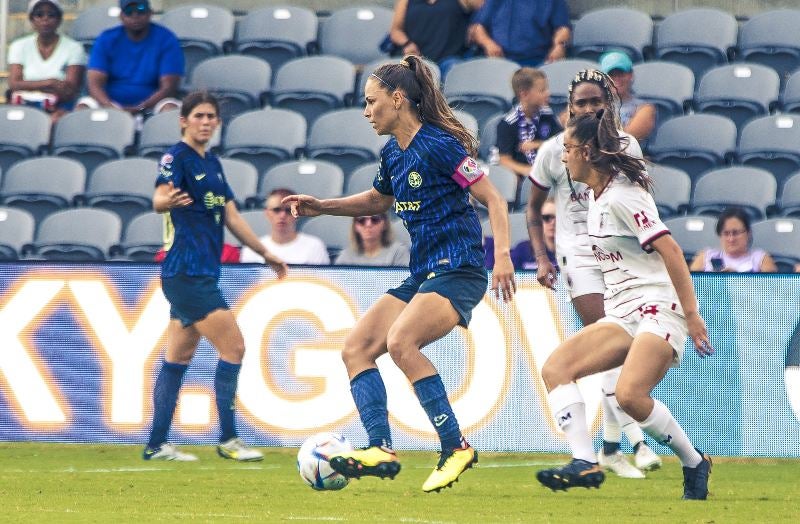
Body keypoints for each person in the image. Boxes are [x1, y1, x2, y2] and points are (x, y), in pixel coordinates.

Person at [283, 55, 515, 493]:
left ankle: (456, 446)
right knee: (356, 349)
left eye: (371, 102)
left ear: (398, 98)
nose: (366, 112)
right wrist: (322, 206)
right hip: (424, 272)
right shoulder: (393, 152)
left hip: (459, 269)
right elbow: (377, 200)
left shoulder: (440, 145)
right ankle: (381, 448)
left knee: (401, 341)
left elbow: (495, 200)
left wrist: (501, 255)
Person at [535, 110, 714, 499]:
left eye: (566, 149)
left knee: (631, 395)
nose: (562, 157)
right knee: (556, 368)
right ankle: (585, 461)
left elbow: (670, 250)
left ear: (585, 151)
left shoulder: (624, 196)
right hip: (621, 313)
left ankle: (693, 460)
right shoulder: (595, 198)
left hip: (657, 307)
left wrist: (692, 314)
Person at [527, 69, 662, 478]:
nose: (588, 108)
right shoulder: (555, 149)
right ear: (570, 107)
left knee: (621, 348)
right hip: (580, 256)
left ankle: (608, 446)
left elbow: (641, 200)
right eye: (581, 102)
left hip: (619, 253)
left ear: (610, 102)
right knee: (609, 338)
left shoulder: (626, 145)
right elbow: (532, 209)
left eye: (595, 101)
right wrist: (543, 258)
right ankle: (633, 442)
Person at [144, 92, 288, 461]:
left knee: (177, 358)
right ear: (184, 121)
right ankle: (228, 439)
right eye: (199, 116)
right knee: (234, 347)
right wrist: (166, 202)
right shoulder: (175, 158)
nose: (206, 122)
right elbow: (159, 197)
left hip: (200, 272)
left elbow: (233, 217)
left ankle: (157, 444)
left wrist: (267, 253)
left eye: (211, 117)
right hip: (186, 272)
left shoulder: (214, 163)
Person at [80, 1, 183, 116]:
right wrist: (111, 107)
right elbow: (94, 83)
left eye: (141, 10)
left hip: (153, 104)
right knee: (82, 109)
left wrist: (141, 107)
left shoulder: (166, 38)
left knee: (170, 110)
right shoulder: (107, 38)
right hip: (110, 103)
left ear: (150, 13)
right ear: (121, 16)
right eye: (129, 12)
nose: (135, 16)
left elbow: (168, 87)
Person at [6, 0, 86, 121]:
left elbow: (69, 91)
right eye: (39, 15)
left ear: (59, 20)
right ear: (32, 20)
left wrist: (29, 85)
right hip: (23, 104)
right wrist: (51, 83)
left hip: (59, 106)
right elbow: (14, 84)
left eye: (51, 15)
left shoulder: (74, 48)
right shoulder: (18, 46)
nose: (45, 19)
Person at [386, 0, 483, 75]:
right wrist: (407, 44)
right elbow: (395, 30)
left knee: (454, 71)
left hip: (447, 60)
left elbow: (482, 6)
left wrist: (476, 28)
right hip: (416, 59)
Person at [496, 68, 561, 179]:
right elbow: (504, 160)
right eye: (542, 90)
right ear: (525, 95)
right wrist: (527, 170)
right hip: (520, 173)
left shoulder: (547, 114)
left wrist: (538, 144)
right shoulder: (508, 123)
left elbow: (560, 140)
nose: (548, 93)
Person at [239, 188, 331, 265]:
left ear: (297, 213)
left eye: (288, 210)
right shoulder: (252, 249)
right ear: (267, 213)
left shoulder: (314, 246)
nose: (282, 215)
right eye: (276, 210)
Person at [470, 0, 571, 66]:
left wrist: (560, 46)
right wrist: (488, 43)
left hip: (537, 61)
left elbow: (563, 28)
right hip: (498, 61)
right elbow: (477, 27)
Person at [689, 207, 777, 273]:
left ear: (748, 233)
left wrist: (736, 280)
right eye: (726, 233)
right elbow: (688, 287)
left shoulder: (761, 259)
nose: (731, 239)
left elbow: (771, 292)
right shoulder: (706, 256)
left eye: (736, 233)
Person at [599, 51, 656, 145]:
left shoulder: (645, 108)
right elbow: (570, 120)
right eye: (611, 75)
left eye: (621, 74)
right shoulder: (593, 103)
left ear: (630, 75)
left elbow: (627, 139)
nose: (616, 79)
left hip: (629, 157)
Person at [335, 212, 410, 266]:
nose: (368, 225)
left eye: (375, 219)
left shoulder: (398, 253)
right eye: (361, 220)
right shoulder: (346, 256)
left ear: (385, 224)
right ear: (355, 226)